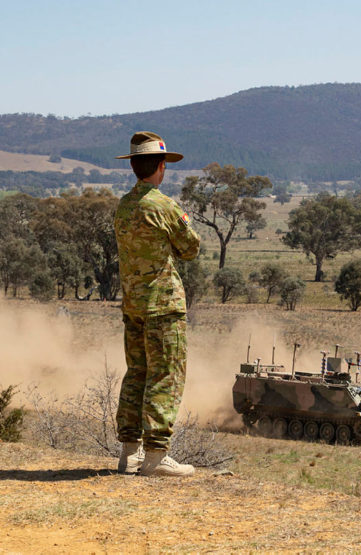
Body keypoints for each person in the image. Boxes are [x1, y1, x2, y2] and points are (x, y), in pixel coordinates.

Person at [114, 131, 200, 477]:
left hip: (133, 305)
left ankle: (129, 453)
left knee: (136, 374)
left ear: (134, 166)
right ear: (161, 166)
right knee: (165, 375)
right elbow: (190, 248)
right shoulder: (163, 206)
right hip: (163, 306)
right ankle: (156, 455)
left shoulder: (124, 205)